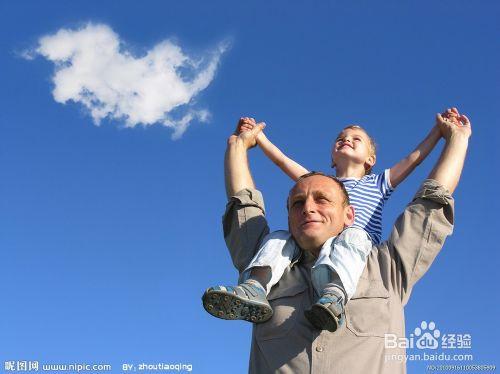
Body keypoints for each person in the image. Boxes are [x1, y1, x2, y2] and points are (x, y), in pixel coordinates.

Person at [204, 109, 470, 373]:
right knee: (277, 239)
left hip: (359, 245)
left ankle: (335, 293)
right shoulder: (271, 256)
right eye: (298, 203)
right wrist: (244, 143)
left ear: (348, 212)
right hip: (280, 261)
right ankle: (254, 287)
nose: (308, 207)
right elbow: (249, 199)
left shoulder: (387, 268)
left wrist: (448, 136)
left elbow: (430, 196)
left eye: (322, 200)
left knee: (353, 236)